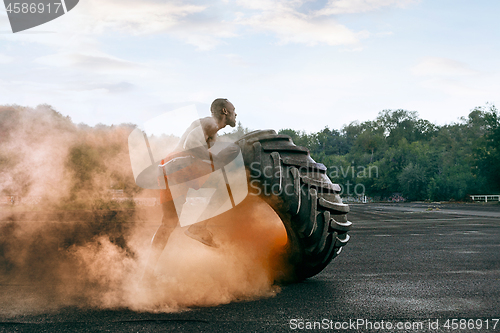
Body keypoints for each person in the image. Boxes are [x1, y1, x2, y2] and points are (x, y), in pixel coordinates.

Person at [143, 98, 238, 282]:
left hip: (168, 167)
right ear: (225, 111)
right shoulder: (211, 123)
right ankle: (198, 227)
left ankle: (147, 273)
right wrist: (215, 161)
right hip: (179, 165)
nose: (236, 114)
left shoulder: (208, 125)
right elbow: (191, 144)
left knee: (168, 223)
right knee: (228, 179)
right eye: (234, 110)